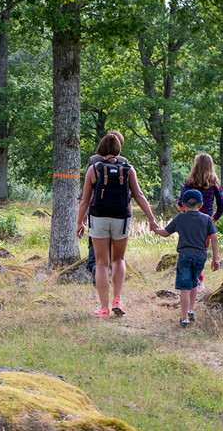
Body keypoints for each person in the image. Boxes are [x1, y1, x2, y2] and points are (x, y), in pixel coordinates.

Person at [76, 133, 158, 318]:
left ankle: (104, 308)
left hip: (99, 218)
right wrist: (152, 218)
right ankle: (117, 300)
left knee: (101, 263)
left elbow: (84, 200)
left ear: (101, 148)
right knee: (119, 260)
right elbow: (139, 196)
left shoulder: (94, 168)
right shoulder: (128, 169)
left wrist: (79, 222)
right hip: (121, 218)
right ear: (119, 149)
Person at [153, 190, 220, 327]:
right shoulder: (207, 219)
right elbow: (214, 239)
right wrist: (216, 259)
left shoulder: (180, 218)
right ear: (201, 205)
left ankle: (184, 318)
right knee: (194, 282)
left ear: (183, 204)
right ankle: (190, 310)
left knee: (185, 287)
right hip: (201, 256)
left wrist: (155, 229)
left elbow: (165, 233)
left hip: (185, 255)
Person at [83, 131, 129, 285]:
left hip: (97, 210)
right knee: (116, 250)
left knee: (93, 242)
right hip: (120, 212)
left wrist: (82, 215)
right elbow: (131, 192)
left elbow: (86, 191)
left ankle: (95, 267)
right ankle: (112, 275)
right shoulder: (124, 163)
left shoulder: (94, 161)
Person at [176, 153, 223, 289]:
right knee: (201, 250)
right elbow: (222, 205)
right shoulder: (214, 184)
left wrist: (184, 213)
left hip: (188, 222)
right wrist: (213, 219)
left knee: (187, 248)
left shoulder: (189, 183)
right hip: (205, 223)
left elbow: (180, 202)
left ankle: (192, 277)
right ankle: (198, 278)